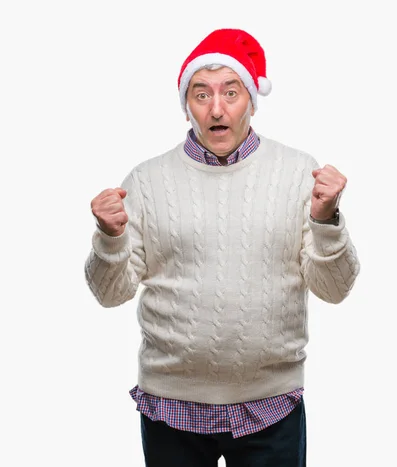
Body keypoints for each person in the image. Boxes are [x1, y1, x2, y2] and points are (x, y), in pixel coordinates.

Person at [84, 28, 360, 467]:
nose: (216, 109)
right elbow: (109, 293)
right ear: (185, 105)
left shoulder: (298, 173)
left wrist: (326, 220)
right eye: (201, 94)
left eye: (231, 93)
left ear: (251, 100)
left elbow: (334, 289)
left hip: (271, 407)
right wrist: (109, 238)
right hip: (171, 408)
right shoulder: (147, 181)